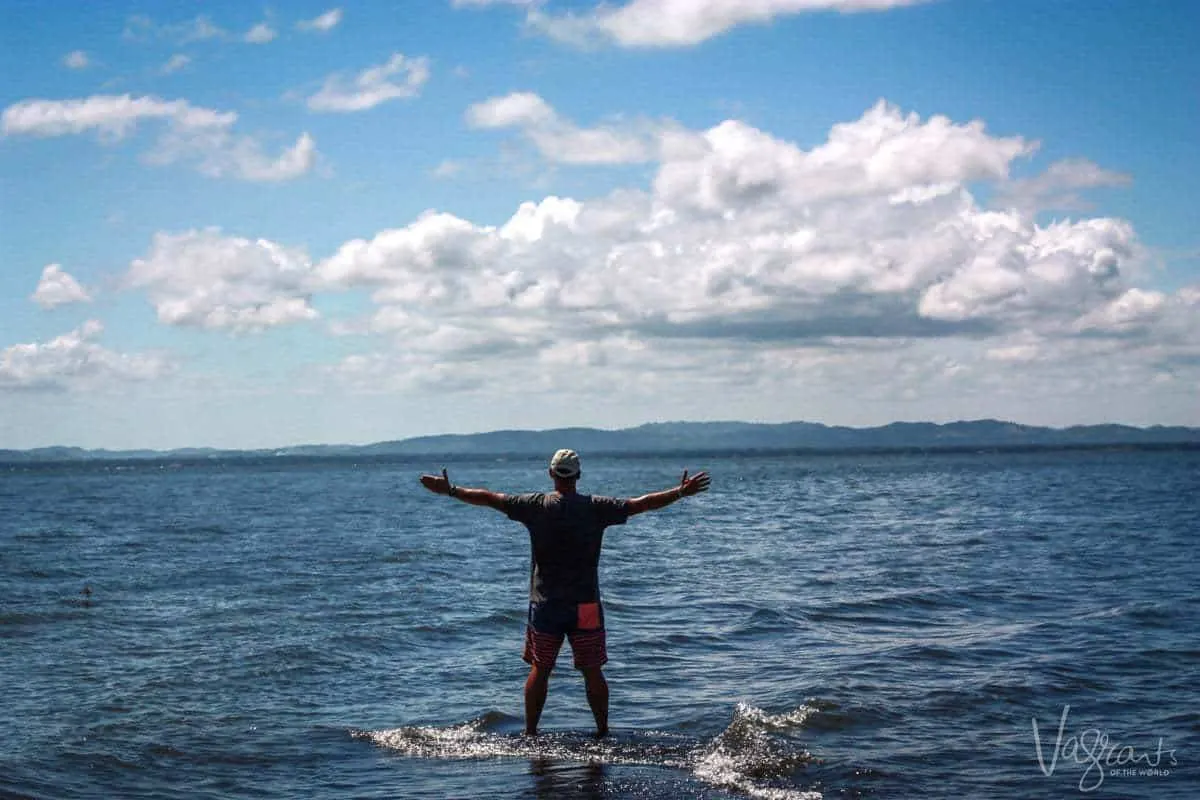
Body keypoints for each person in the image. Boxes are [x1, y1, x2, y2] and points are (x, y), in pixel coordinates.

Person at [419, 449, 711, 737]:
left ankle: (531, 733)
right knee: (592, 670)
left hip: (546, 605)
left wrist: (452, 490)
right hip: (585, 605)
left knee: (541, 668)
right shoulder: (596, 507)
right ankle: (602, 731)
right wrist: (680, 493)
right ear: (579, 475)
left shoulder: (534, 505)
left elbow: (487, 498)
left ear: (550, 473)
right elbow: (641, 504)